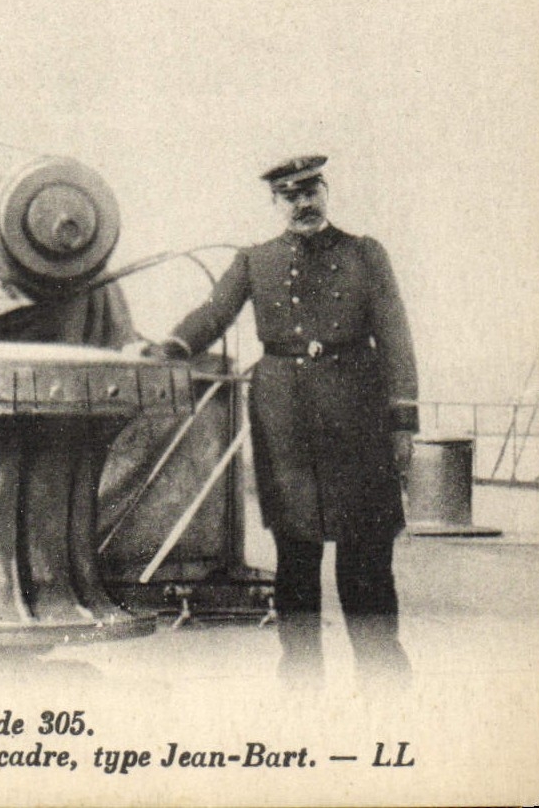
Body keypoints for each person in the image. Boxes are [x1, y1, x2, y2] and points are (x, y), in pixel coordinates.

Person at [153, 155, 417, 688]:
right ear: (275, 203)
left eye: (310, 191)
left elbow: (395, 335)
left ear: (326, 191)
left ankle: (384, 684)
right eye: (290, 195)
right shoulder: (256, 261)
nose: (302, 203)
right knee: (295, 557)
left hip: (358, 416)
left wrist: (402, 422)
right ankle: (300, 685)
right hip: (285, 419)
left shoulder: (365, 253)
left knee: (365, 558)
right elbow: (214, 311)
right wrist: (170, 347)